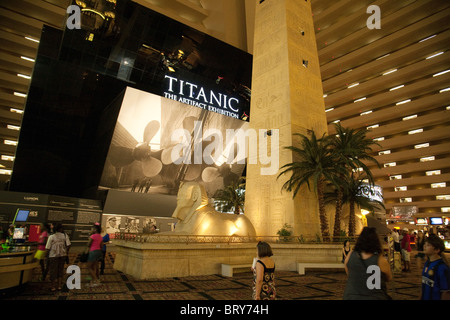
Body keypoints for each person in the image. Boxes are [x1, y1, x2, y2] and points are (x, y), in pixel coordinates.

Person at [343, 227, 392, 300]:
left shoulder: (350, 255)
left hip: (351, 296)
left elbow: (348, 272)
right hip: (375, 296)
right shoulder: (380, 260)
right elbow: (388, 278)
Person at [420, 234, 450, 300]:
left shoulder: (442, 267)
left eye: (428, 245)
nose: (424, 246)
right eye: (425, 244)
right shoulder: (427, 263)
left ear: (436, 250)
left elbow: (446, 292)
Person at [45, 223, 71, 291]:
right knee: (60, 270)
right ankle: (59, 285)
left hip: (53, 256)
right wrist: (66, 252)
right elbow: (68, 245)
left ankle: (53, 286)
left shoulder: (51, 237)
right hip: (62, 255)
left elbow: (47, 248)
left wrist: (46, 255)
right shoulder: (64, 235)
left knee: (53, 271)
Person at [85, 223, 104, 287]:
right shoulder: (100, 236)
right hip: (98, 252)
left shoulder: (93, 236)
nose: (91, 230)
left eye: (92, 229)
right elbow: (101, 245)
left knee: (89, 266)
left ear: (95, 230)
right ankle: (93, 280)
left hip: (93, 252)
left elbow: (88, 244)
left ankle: (96, 280)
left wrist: (90, 237)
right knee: (95, 267)